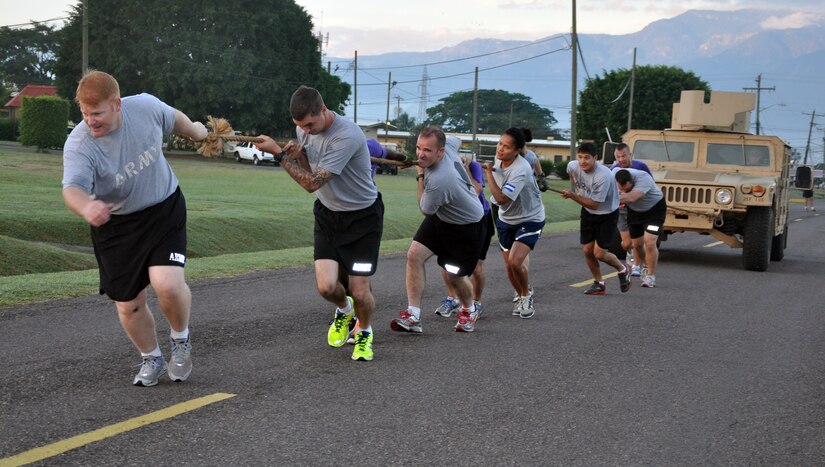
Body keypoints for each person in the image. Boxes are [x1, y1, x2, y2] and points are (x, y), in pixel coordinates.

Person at [62, 70, 207, 386]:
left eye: (97, 113)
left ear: (116, 104)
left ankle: (180, 341)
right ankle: (151, 358)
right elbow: (71, 188)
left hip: (162, 209)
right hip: (115, 226)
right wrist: (86, 206)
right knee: (129, 305)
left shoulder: (144, 107)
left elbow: (176, 119)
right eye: (85, 114)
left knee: (167, 283)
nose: (90, 121)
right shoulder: (79, 144)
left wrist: (197, 132)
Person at [255, 85, 382, 361]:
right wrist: (298, 154)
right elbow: (311, 169)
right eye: (301, 126)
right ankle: (345, 312)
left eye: (311, 124)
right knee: (326, 287)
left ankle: (364, 333)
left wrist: (279, 154)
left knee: (360, 292)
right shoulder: (304, 130)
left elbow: (311, 183)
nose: (307, 130)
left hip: (362, 219)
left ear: (323, 111)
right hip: (328, 215)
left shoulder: (347, 135)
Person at [391, 127, 485, 333]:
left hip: (465, 226)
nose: (421, 154)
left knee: (454, 275)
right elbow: (457, 139)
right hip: (442, 217)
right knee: (414, 255)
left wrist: (420, 175)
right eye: (418, 148)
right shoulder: (449, 145)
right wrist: (463, 159)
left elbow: (424, 208)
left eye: (427, 150)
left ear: (440, 152)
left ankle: (469, 309)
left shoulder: (440, 180)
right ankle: (413, 314)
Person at [483, 127, 546, 318]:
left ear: (517, 151)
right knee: (509, 266)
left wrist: (488, 175)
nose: (501, 149)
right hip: (506, 219)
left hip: (531, 218)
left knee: (515, 262)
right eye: (500, 144)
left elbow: (501, 198)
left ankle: (526, 296)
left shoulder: (522, 168)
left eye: (507, 147)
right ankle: (521, 294)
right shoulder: (499, 158)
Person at [432, 136, 495, 319]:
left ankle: (476, 302)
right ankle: (453, 298)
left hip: (480, 219)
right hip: (454, 220)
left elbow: (475, 190)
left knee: (475, 267)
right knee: (446, 262)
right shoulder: (439, 168)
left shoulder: (473, 166)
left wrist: (464, 167)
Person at [563, 142, 631, 295]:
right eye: (580, 157)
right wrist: (577, 189)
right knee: (587, 250)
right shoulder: (573, 166)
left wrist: (574, 196)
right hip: (588, 212)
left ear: (595, 158)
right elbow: (571, 173)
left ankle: (623, 269)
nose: (582, 161)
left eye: (587, 158)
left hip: (606, 214)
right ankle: (599, 282)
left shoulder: (604, 176)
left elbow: (595, 205)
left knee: (599, 253)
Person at [614, 168, 667, 288]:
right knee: (637, 245)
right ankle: (644, 264)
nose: (623, 191)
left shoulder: (644, 178)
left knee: (649, 242)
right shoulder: (613, 175)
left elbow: (631, 198)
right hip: (635, 213)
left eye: (626, 189)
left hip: (654, 211)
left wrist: (607, 198)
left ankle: (650, 276)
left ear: (632, 181)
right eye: (620, 189)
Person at [610, 143, 652, 276]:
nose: (621, 159)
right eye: (618, 157)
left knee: (636, 241)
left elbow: (649, 185)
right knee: (627, 243)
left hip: (637, 209)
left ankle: (637, 265)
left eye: (623, 156)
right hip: (621, 211)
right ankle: (631, 254)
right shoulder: (614, 169)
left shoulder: (641, 167)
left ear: (630, 155)